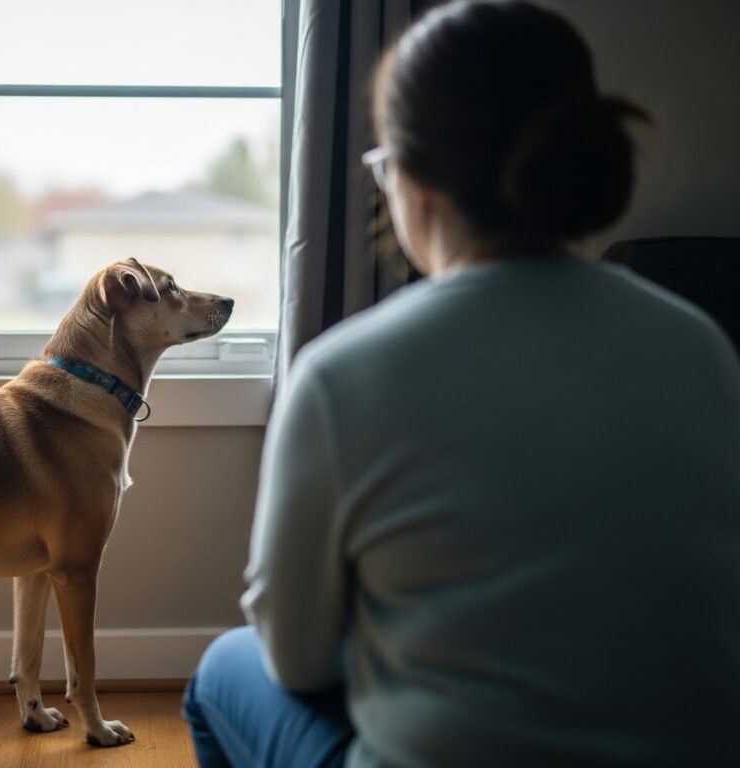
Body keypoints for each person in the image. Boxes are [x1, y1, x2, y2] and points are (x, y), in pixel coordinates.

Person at [182, 1, 740, 766]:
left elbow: (296, 659)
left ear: (412, 179)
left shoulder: (342, 375)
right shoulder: (700, 346)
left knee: (223, 668)